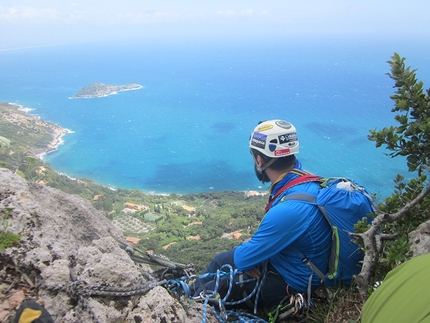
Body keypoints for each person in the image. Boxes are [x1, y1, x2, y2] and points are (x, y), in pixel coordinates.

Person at [194, 119, 332, 309]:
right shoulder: (304, 180)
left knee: (210, 289)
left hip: (292, 281)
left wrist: (251, 253)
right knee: (219, 260)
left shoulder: (288, 210)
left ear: (260, 160)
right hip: (295, 259)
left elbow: (243, 260)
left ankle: (188, 303)